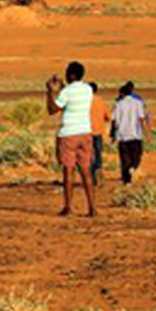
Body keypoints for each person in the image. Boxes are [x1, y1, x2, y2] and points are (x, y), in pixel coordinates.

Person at [46, 61, 97, 217]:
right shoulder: (88, 89)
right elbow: (72, 97)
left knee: (68, 171)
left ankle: (68, 207)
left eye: (67, 72)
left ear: (72, 75)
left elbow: (53, 110)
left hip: (69, 134)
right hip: (85, 133)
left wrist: (50, 92)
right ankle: (92, 208)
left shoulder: (66, 92)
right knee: (86, 171)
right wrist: (62, 89)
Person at [112, 81, 151, 184]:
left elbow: (115, 120)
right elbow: (142, 118)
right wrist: (147, 133)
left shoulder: (118, 104)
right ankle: (133, 167)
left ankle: (127, 181)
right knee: (136, 156)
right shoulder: (138, 103)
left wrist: (113, 135)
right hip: (135, 135)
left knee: (124, 159)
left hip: (122, 135)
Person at [88, 81, 111, 187]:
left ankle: (91, 176)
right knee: (98, 154)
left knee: (88, 155)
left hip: (85, 132)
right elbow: (108, 117)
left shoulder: (83, 101)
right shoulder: (101, 101)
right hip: (98, 132)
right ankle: (97, 174)